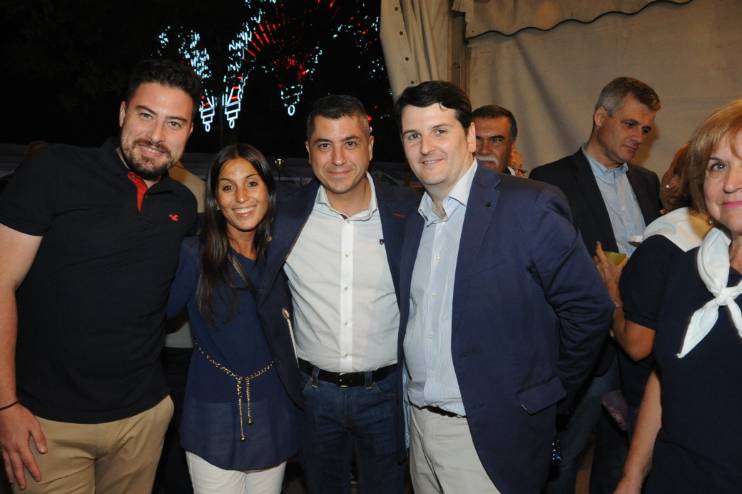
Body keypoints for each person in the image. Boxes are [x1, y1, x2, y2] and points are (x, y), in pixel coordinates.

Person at [394, 80, 613, 493]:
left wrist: (546, 396)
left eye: (439, 131)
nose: (425, 147)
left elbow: (589, 309)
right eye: (412, 135)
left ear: (469, 137)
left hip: (491, 438)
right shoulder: (413, 219)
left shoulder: (528, 206)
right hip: (420, 431)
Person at [0, 59, 200, 493]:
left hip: (142, 421)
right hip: (47, 424)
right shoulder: (53, 171)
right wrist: (6, 406)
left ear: (188, 132)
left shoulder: (183, 205)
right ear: (123, 112)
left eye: (174, 123)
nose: (156, 135)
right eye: (146, 115)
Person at [259, 94, 418, 494]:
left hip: (387, 394)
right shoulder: (282, 215)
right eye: (324, 145)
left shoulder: (410, 213)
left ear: (370, 145)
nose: (338, 159)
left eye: (350, 143)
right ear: (308, 150)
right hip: (313, 396)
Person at [530, 76, 663, 493]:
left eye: (645, 129)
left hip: (638, 339)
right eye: (630, 124)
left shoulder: (647, 180)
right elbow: (543, 267)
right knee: (565, 456)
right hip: (587, 347)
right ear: (600, 117)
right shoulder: (550, 179)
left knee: (624, 457)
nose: (638, 136)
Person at [615, 99, 742, 493]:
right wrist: (632, 477)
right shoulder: (689, 268)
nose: (731, 182)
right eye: (718, 166)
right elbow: (666, 373)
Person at [166, 144, 299, 493]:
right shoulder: (193, 255)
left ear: (268, 190)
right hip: (212, 410)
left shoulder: (286, 255)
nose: (241, 197)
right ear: (215, 199)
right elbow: (151, 316)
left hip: (273, 406)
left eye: (251, 183)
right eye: (227, 187)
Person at [594, 144, 711, 433]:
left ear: (676, 181)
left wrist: (613, 293)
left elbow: (637, 345)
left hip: (654, 397)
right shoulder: (722, 238)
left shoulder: (660, 246)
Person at [471, 104, 525, 176]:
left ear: (512, 145)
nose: (484, 151)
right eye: (476, 140)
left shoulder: (522, 182)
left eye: (496, 141)